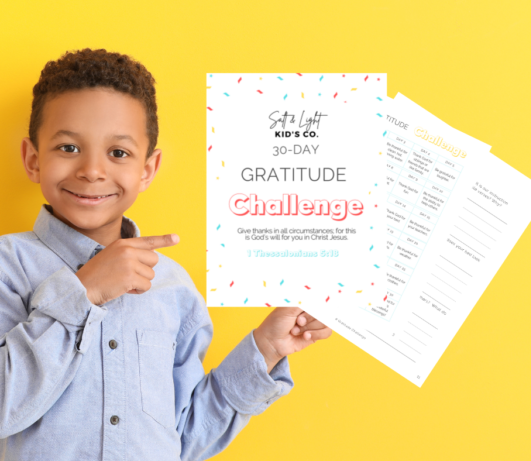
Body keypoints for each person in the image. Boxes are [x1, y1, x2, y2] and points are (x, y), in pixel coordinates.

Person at [0, 48, 332, 461]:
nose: (91, 170)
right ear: (33, 159)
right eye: (68, 148)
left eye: (118, 153)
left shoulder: (173, 288)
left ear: (147, 169)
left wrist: (266, 348)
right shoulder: (7, 267)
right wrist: (82, 293)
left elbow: (185, 438)